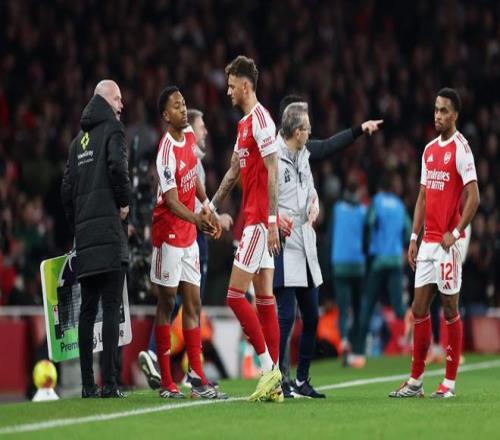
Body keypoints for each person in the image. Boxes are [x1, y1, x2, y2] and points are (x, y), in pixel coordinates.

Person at [389, 88, 479, 399]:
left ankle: (449, 383)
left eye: (443, 111)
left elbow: (474, 197)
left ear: (455, 115)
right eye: (436, 109)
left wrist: (456, 231)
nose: (437, 115)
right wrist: (414, 237)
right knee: (418, 308)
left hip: (447, 245)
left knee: (450, 309)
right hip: (427, 242)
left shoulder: (461, 149)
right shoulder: (428, 150)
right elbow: (423, 198)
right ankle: (415, 382)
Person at [138, 108, 232, 390]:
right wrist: (212, 217)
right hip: (183, 235)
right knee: (183, 302)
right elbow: (178, 200)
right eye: (201, 126)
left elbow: (197, 194)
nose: (204, 132)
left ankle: (178, 365)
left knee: (184, 303)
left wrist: (210, 212)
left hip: (189, 234)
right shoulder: (174, 153)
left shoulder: (192, 157)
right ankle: (176, 366)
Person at [209, 55, 282, 402]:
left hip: (258, 222)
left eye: (231, 86)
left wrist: (272, 221)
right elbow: (234, 172)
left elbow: (274, 170)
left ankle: (268, 369)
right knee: (265, 299)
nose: (228, 92)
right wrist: (211, 207)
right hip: (255, 220)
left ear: (245, 86)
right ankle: (275, 382)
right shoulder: (243, 125)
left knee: (235, 296)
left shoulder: (262, 121)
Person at [61, 80, 130, 398]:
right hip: (110, 234)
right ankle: (110, 383)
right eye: (117, 99)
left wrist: (77, 225)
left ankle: (88, 385)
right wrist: (124, 202)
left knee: (87, 310)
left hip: (86, 238)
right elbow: (117, 167)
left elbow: (66, 190)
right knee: (112, 306)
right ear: (104, 100)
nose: (121, 105)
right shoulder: (113, 130)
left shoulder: (76, 143)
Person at [273, 102, 325, 398]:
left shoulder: (303, 156)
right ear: (295, 132)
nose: (310, 132)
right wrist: (274, 218)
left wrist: (315, 202)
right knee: (285, 317)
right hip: (283, 244)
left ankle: (302, 380)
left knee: (312, 316)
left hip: (306, 242)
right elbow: (263, 197)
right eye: (307, 128)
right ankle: (278, 378)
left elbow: (311, 190)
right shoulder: (273, 157)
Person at [352, 173, 412, 366]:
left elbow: (368, 223)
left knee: (367, 304)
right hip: (395, 261)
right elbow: (408, 230)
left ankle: (358, 353)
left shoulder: (376, 202)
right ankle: (416, 335)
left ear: (379, 188)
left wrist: (367, 248)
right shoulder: (399, 205)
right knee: (399, 308)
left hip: (378, 261)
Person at [330, 170, 367, 366]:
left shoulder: (337, 209)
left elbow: (331, 234)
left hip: (339, 264)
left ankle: (344, 341)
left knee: (343, 308)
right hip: (357, 265)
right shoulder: (363, 211)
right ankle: (355, 344)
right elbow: (368, 236)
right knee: (358, 308)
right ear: (358, 191)